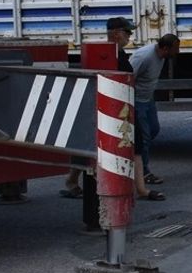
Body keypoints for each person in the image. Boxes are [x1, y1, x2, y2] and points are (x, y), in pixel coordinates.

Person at [61, 17, 144, 199]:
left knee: (129, 143)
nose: (129, 36)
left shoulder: (118, 53)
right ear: (116, 33)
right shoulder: (108, 53)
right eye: (127, 32)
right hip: (112, 106)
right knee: (97, 146)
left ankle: (73, 181)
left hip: (118, 105)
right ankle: (132, 188)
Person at [129, 33, 180, 190]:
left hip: (148, 99)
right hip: (137, 100)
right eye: (176, 49)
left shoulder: (162, 57)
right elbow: (129, 77)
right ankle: (143, 172)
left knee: (153, 129)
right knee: (144, 137)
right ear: (165, 48)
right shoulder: (144, 57)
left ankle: (135, 156)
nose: (178, 52)